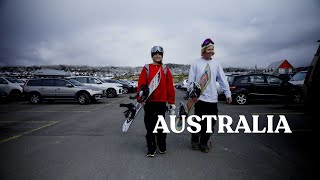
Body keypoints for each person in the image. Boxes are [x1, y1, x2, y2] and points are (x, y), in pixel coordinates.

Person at [187, 38, 232, 153]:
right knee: (198, 122)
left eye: (212, 49)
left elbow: (223, 80)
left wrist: (228, 93)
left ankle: (204, 142)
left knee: (210, 123)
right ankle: (195, 140)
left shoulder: (216, 64)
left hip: (212, 99)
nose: (211, 51)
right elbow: (191, 80)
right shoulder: (196, 63)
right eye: (209, 49)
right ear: (204, 50)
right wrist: (192, 93)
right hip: (200, 98)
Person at [137, 46, 175, 157]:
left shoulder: (165, 69)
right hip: (149, 102)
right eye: (155, 54)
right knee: (150, 127)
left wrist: (171, 101)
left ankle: (162, 145)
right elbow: (141, 84)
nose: (157, 56)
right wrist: (141, 99)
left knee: (161, 126)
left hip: (161, 102)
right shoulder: (147, 68)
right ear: (152, 56)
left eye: (160, 54)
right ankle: (151, 148)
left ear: (162, 55)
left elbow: (170, 87)